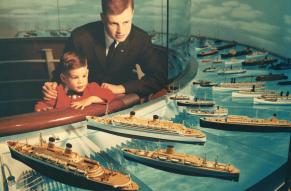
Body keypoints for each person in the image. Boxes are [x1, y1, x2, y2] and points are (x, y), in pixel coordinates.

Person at [43, 0, 167, 101]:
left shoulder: (140, 39)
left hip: (121, 102)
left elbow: (158, 77)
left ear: (132, 14)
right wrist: (52, 86)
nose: (121, 30)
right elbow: (62, 73)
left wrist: (121, 88)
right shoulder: (80, 37)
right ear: (103, 17)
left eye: (126, 22)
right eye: (114, 23)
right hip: (83, 103)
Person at [35, 52, 115, 111]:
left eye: (84, 76)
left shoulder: (92, 88)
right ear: (63, 78)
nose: (81, 81)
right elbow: (39, 107)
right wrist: (44, 110)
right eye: (75, 77)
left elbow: (110, 95)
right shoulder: (56, 92)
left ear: (87, 73)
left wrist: (91, 99)